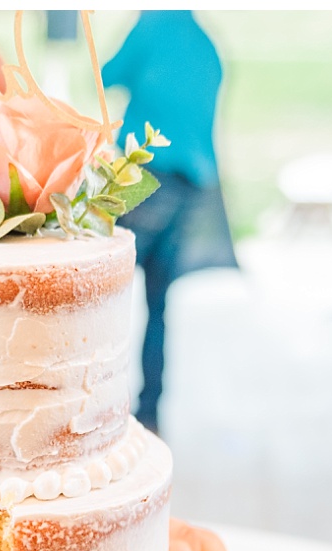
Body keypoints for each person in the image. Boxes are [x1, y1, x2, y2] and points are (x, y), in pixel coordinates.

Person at [102, 11, 236, 433]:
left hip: (145, 177)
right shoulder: (206, 43)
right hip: (190, 185)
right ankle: (150, 412)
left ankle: (100, 409)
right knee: (158, 303)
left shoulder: (150, 26)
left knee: (105, 290)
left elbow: (105, 76)